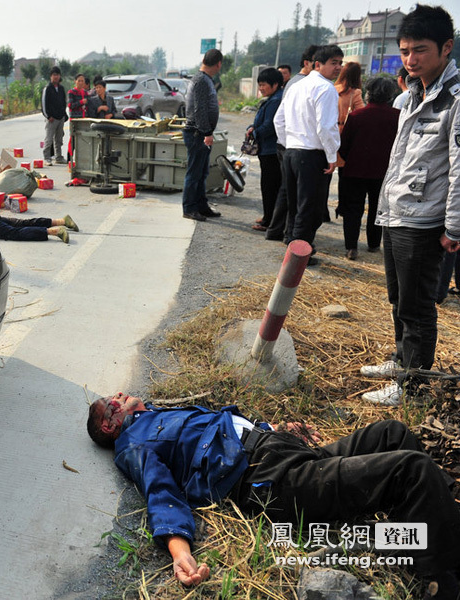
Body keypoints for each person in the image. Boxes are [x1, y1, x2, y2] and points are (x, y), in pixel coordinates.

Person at [87, 393, 460, 598]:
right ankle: (439, 579)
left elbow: (227, 429)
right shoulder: (134, 444)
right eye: (112, 399)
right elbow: (160, 492)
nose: (120, 393)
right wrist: (180, 551)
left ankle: (429, 530)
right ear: (110, 422)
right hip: (268, 478)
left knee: (392, 432)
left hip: (279, 450)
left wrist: (275, 430)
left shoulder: (156, 415)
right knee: (411, 469)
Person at [361, 4, 460, 406]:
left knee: (417, 307)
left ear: (446, 48)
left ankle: (412, 386)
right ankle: (401, 359)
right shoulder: (413, 92)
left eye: (419, 49)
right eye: (404, 50)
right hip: (397, 212)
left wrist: (453, 227)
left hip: (425, 221)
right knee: (397, 299)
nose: (410, 59)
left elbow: (459, 168)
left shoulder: (453, 99)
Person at [274, 44, 344, 266]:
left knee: (296, 203)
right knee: (310, 206)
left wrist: (289, 145)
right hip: (311, 154)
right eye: (333, 63)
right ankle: (298, 254)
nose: (338, 68)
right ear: (317, 64)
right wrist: (333, 155)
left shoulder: (296, 86)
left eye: (340, 63)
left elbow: (279, 121)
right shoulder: (326, 88)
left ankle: (292, 242)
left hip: (292, 152)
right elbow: (326, 127)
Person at [336, 77, 400, 260]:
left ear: (368, 93)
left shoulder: (356, 116)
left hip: (355, 170)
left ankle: (351, 247)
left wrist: (351, 158)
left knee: (353, 209)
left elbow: (344, 145)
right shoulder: (398, 116)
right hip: (384, 172)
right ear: (390, 95)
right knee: (377, 208)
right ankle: (373, 244)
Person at [266, 45, 320, 242]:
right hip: (296, 147)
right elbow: (281, 119)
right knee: (297, 197)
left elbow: (280, 119)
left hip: (290, 146)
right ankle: (291, 236)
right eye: (317, 61)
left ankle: (278, 231)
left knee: (288, 192)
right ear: (307, 63)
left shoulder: (297, 83)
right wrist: (289, 142)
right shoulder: (302, 84)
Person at [181, 49, 224, 222]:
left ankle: (201, 205)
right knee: (194, 173)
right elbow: (199, 110)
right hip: (197, 133)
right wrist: (207, 132)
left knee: (202, 172)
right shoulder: (200, 80)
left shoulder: (204, 80)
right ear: (218, 64)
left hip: (201, 134)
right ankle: (189, 208)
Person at [247, 68, 284, 232]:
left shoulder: (276, 100)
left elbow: (270, 126)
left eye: (263, 85)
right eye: (259, 85)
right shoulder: (273, 98)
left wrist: (255, 132)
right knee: (271, 186)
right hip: (269, 150)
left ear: (275, 84)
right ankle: (269, 217)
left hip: (271, 150)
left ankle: (269, 220)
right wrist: (253, 127)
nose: (261, 88)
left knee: (270, 187)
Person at [41, 66, 68, 165]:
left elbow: (63, 102)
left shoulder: (61, 88)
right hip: (51, 119)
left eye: (57, 75)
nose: (55, 77)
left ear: (59, 76)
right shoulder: (47, 89)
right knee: (49, 139)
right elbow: (44, 104)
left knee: (59, 139)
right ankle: (47, 157)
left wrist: (64, 115)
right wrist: (48, 116)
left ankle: (59, 157)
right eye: (54, 75)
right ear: (50, 76)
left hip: (60, 118)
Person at [335, 62, 365, 134]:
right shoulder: (355, 92)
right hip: (346, 130)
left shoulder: (333, 89)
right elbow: (361, 113)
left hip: (333, 129)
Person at [67, 74, 90, 161]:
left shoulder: (85, 92)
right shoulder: (71, 92)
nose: (80, 83)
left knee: (83, 138)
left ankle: (81, 159)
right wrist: (81, 102)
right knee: (73, 138)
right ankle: (69, 158)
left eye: (82, 81)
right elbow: (70, 105)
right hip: (75, 119)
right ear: (75, 81)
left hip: (84, 119)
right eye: (79, 80)